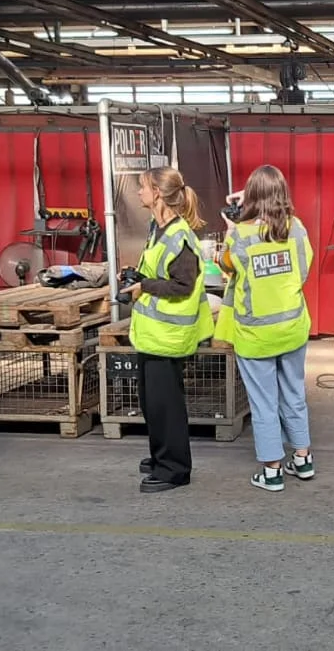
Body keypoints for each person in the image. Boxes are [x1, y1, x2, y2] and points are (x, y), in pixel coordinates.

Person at [218, 165, 316, 492]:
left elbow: (225, 265)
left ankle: (272, 471)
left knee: (263, 403)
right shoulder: (296, 228)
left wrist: (232, 229)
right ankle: (302, 458)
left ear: (251, 195)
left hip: (256, 334)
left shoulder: (241, 235)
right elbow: (303, 270)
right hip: (292, 327)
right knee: (294, 394)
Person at [119, 166, 215, 494]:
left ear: (158, 193)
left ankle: (174, 469)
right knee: (152, 402)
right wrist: (137, 277)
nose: (139, 192)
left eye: (144, 186)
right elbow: (158, 271)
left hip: (169, 335)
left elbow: (183, 285)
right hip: (152, 333)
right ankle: (161, 454)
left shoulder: (180, 237)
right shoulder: (157, 228)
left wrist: (144, 286)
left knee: (166, 405)